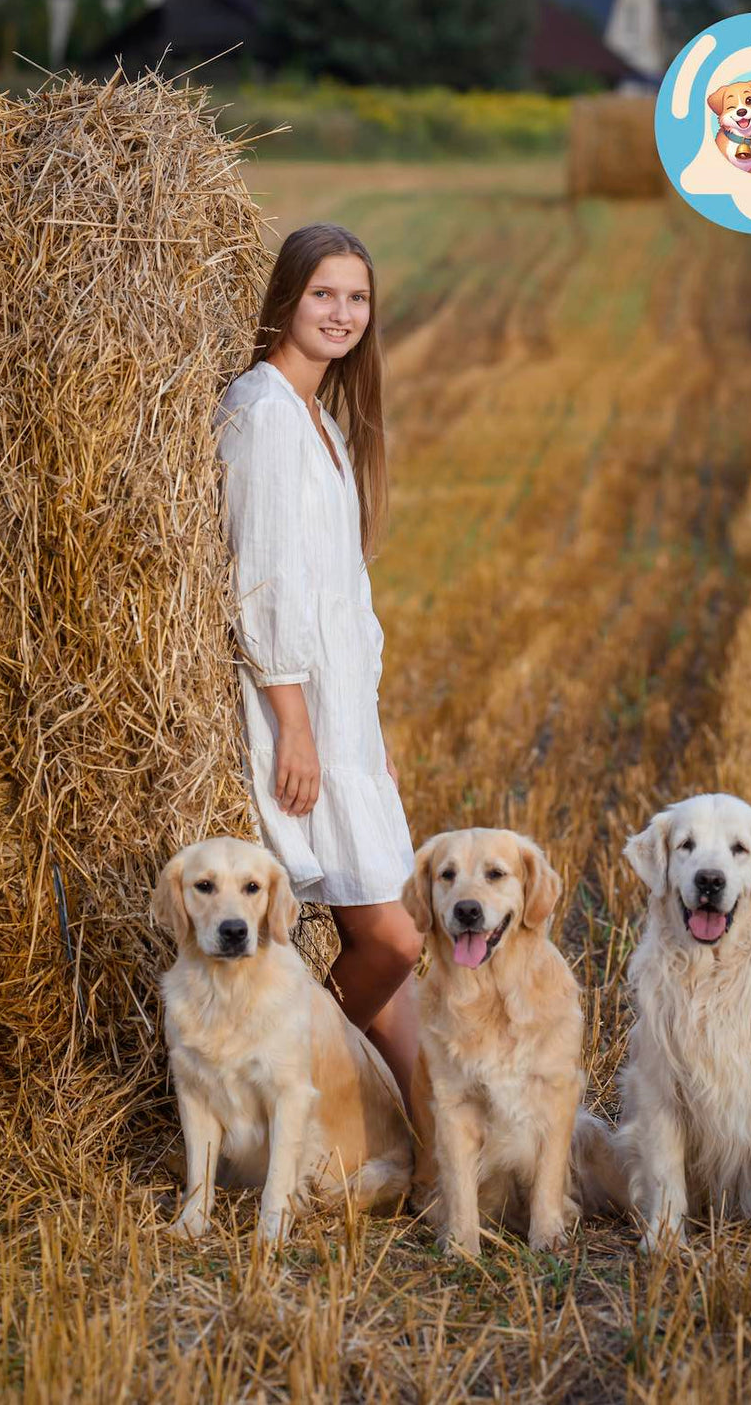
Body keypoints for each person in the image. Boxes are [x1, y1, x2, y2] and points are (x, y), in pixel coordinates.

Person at [213, 223, 422, 1108]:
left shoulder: (321, 423)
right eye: (324, 294)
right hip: (292, 707)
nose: (342, 313)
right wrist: (294, 725)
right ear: (286, 298)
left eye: (358, 298)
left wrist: (363, 734)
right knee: (392, 942)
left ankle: (433, 1132)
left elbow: (346, 601)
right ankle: (313, 1082)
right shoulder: (263, 413)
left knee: (393, 953)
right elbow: (261, 583)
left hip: (337, 712)